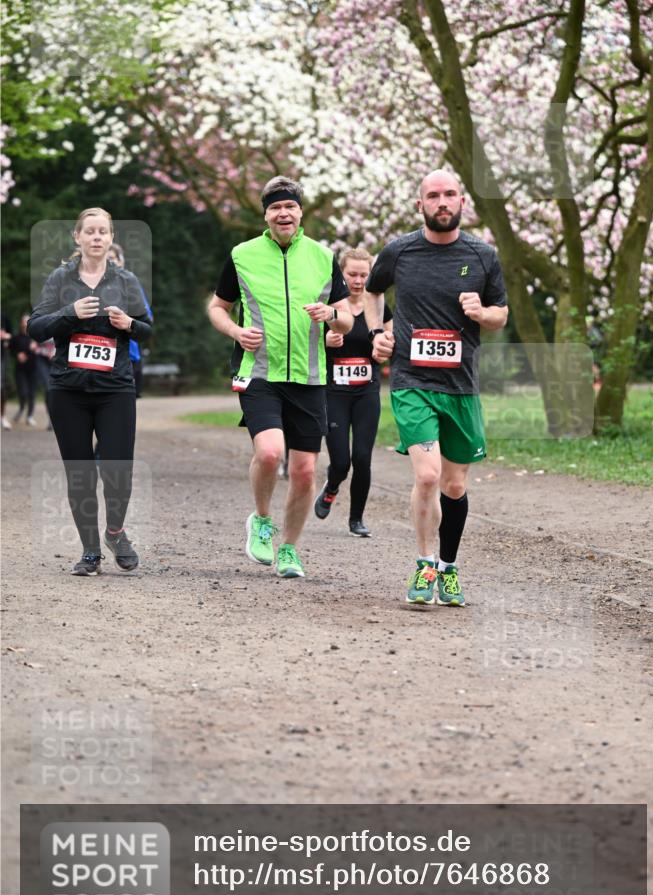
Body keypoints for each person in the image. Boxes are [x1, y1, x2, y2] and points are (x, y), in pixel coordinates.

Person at [365, 169, 508, 607]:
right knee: (426, 476)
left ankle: (448, 566)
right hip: (413, 382)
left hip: (461, 385)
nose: (441, 202)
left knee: (454, 486)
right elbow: (373, 291)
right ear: (420, 204)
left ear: (462, 201)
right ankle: (424, 563)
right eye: (433, 196)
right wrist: (377, 333)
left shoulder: (482, 256)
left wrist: (481, 312)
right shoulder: (400, 251)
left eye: (449, 195)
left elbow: (501, 314)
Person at [208, 175, 352, 578]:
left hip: (309, 375)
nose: (283, 213)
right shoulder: (242, 255)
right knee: (270, 452)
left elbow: (347, 319)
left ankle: (288, 548)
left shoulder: (323, 257)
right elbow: (217, 307)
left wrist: (332, 318)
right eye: (275, 208)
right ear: (266, 215)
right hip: (260, 372)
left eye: (290, 206)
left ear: (300, 212)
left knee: (305, 470)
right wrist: (236, 332)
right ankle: (261, 518)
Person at [28, 207, 152, 576]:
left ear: (111, 238)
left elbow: (146, 329)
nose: (97, 237)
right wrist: (70, 313)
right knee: (80, 473)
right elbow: (36, 327)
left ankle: (115, 531)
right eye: (90, 231)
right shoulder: (60, 279)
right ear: (77, 237)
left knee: (118, 470)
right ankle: (90, 551)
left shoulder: (126, 280)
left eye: (104, 232)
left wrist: (129, 323)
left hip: (115, 389)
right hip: (68, 391)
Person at [313, 246, 392, 537]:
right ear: (341, 274)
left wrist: (383, 348)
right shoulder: (330, 306)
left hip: (366, 393)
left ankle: (356, 519)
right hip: (334, 393)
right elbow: (309, 346)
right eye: (352, 275)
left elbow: (390, 339)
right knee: (341, 462)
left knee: (362, 457)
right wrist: (326, 343)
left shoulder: (379, 307)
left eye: (364, 275)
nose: (358, 281)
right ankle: (331, 487)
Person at [107, 243, 153, 398]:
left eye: (112, 258)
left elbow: (147, 321)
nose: (108, 263)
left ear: (121, 261)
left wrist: (128, 322)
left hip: (128, 352)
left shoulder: (130, 284)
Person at [10, 314, 39, 425]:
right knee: (23, 392)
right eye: (24, 321)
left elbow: (43, 349)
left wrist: (36, 347)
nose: (26, 324)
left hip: (33, 369)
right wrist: (17, 355)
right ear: (21, 323)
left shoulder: (35, 337)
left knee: (31, 393)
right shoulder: (16, 338)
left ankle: (30, 416)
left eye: (28, 321)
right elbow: (10, 350)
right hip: (20, 370)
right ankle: (22, 407)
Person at [1, 312, 12, 429]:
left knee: (1, 387)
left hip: (1, 356)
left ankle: (2, 416)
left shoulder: (3, 316)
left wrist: (6, 336)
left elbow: (11, 336)